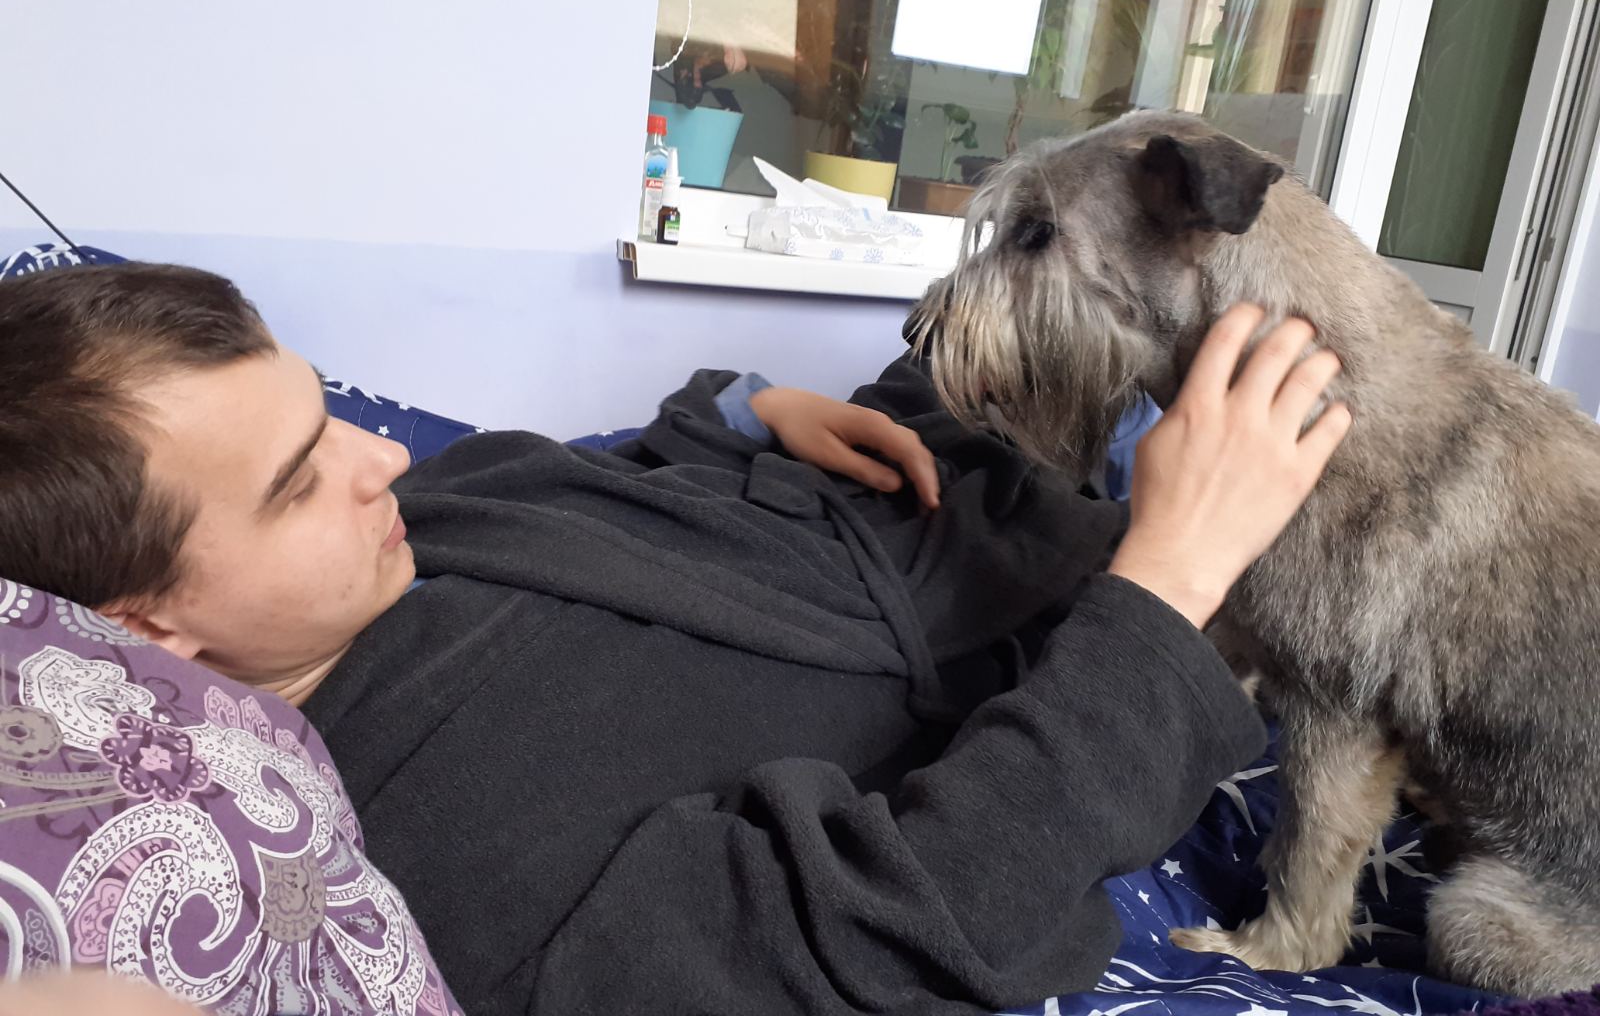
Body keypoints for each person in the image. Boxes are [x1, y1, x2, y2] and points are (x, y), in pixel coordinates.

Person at [0, 263, 1349, 1015]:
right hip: (1063, 617)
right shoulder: (436, 867)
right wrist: (1172, 575)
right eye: (299, 481)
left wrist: (752, 413)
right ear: (140, 627)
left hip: (885, 489)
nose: (378, 456)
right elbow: (908, 917)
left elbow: (592, 464)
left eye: (326, 409)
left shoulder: (397, 535)